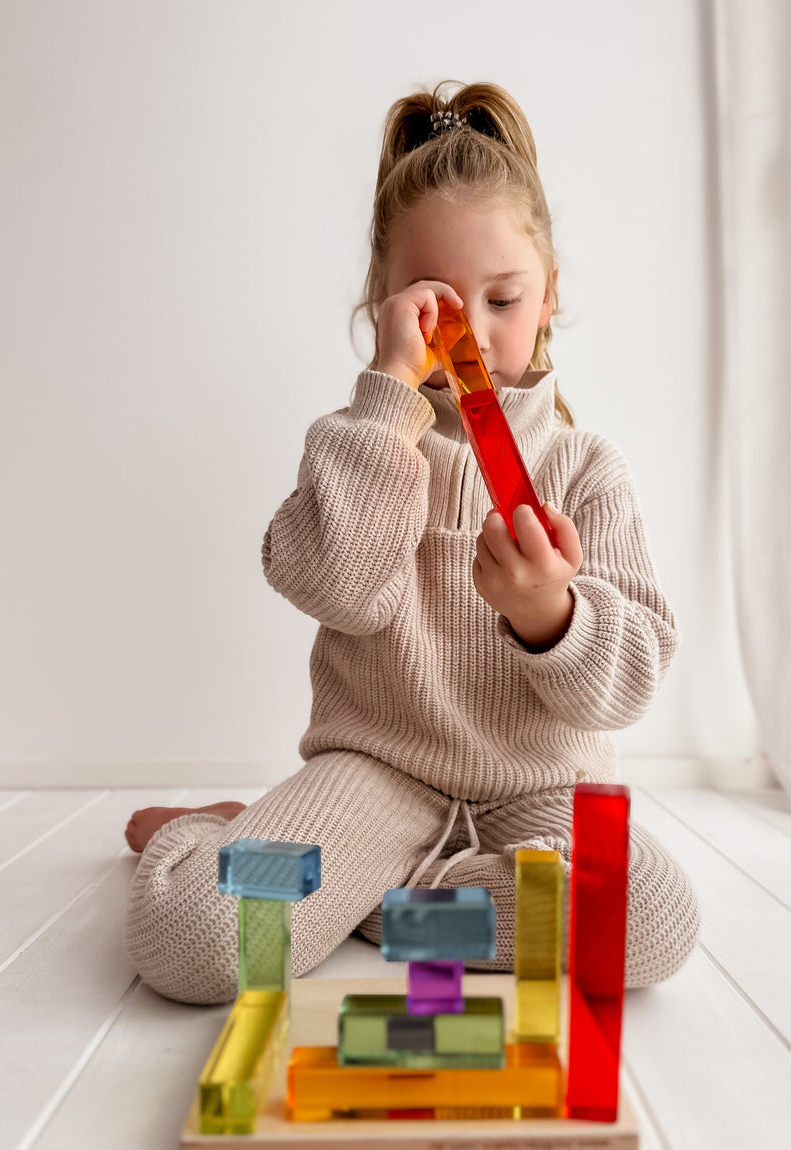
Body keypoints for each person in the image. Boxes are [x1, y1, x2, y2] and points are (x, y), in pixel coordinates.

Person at [124, 80, 699, 1005]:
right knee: (196, 936)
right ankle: (218, 841)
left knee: (653, 918)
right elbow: (335, 586)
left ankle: (378, 908)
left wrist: (549, 615)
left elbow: (630, 684)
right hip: (374, 782)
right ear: (384, 303)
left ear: (548, 296)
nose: (468, 334)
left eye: (502, 299)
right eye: (434, 304)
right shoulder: (359, 440)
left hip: (538, 790)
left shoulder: (590, 468)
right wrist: (389, 396)